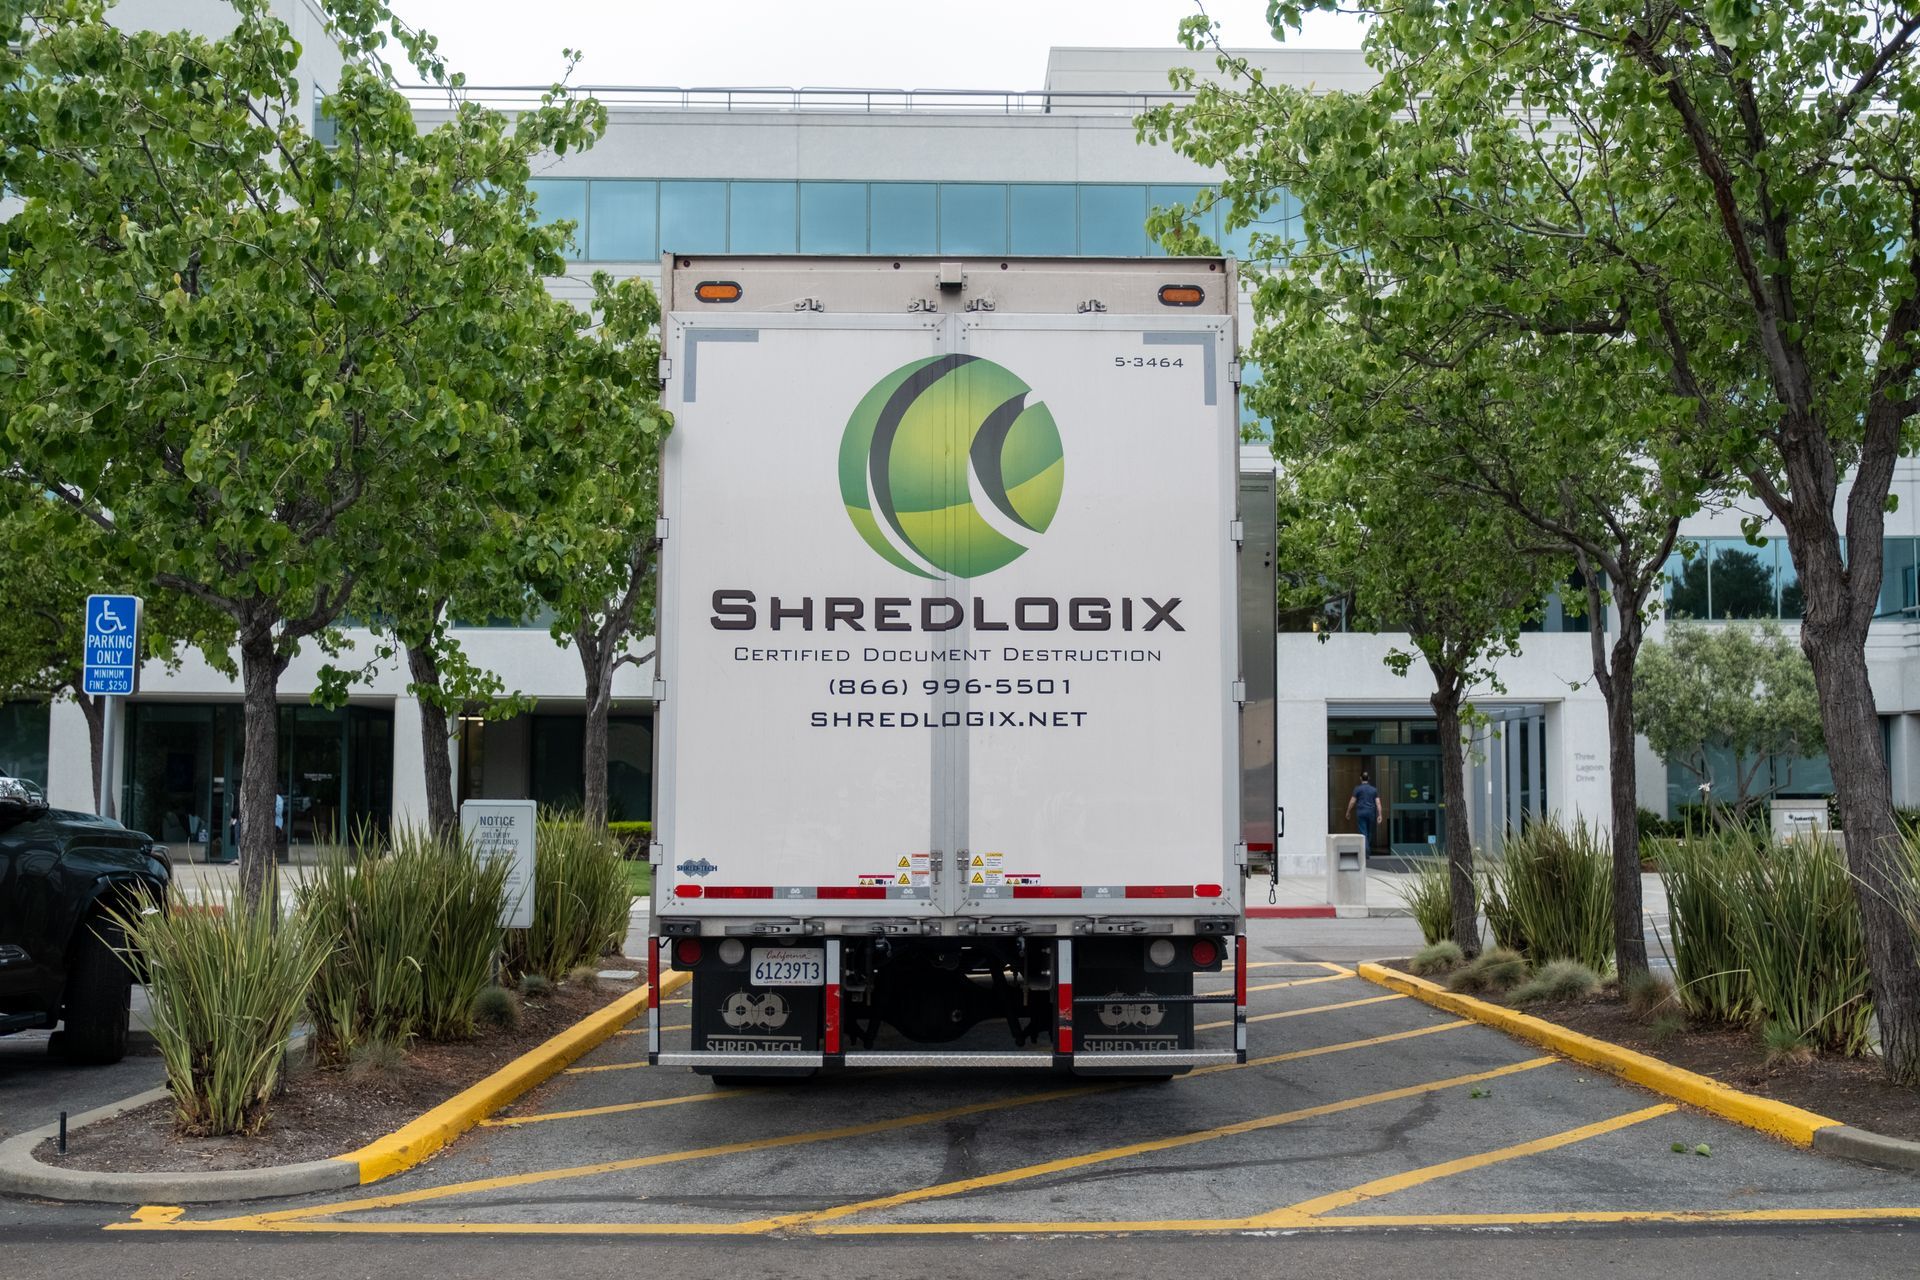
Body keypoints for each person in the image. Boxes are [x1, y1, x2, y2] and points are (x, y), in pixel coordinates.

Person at [1345, 771, 1382, 856]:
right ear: (1368, 779)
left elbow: (1352, 802)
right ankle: (1367, 850)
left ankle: (1366, 851)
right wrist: (1380, 815)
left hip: (1361, 812)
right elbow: (1378, 803)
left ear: (1360, 778)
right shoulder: (1374, 790)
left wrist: (1348, 811)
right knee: (1369, 832)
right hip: (1371, 812)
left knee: (1363, 832)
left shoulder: (1357, 789)